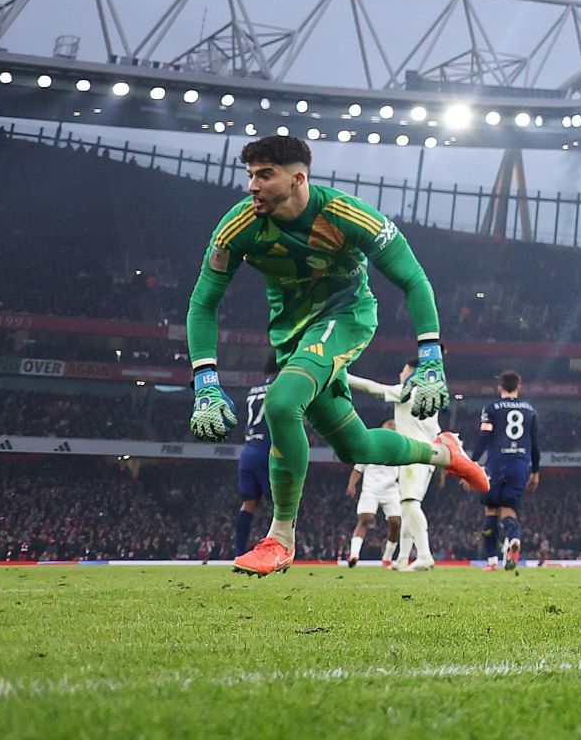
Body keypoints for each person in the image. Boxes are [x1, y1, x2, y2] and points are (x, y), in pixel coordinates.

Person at [184, 135, 488, 576]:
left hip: (345, 318)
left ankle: (280, 539)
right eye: (250, 175)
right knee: (355, 446)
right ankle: (443, 452)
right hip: (292, 336)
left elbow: (414, 280)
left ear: (298, 178)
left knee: (282, 402)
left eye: (265, 175)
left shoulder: (346, 214)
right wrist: (205, 381)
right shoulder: (238, 226)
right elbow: (202, 303)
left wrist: (431, 358)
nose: (253, 185)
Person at [349, 360, 445, 570]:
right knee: (407, 508)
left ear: (411, 372)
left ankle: (424, 555)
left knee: (410, 504)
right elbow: (436, 432)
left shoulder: (406, 391)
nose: (401, 373)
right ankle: (402, 558)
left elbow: (372, 387)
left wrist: (344, 377)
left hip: (413, 455)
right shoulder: (431, 397)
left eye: (403, 369)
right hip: (429, 456)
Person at [474, 371, 540, 571]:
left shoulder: (492, 408)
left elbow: (484, 437)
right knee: (509, 511)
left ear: (499, 387)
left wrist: (472, 463)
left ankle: (492, 561)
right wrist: (535, 471)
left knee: (491, 510)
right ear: (519, 387)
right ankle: (513, 538)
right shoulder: (530, 411)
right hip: (520, 465)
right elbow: (535, 444)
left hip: (496, 464)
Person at [232, 356, 276, 559]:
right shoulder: (280, 386)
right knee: (282, 505)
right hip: (268, 450)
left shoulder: (253, 389)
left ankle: (239, 551)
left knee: (249, 503)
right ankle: (279, 549)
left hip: (248, 450)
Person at [345, 420, 402, 567]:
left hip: (391, 490)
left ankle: (387, 557)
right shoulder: (369, 448)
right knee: (366, 519)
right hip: (371, 489)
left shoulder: (400, 449)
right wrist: (352, 484)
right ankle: (354, 555)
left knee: (395, 522)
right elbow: (358, 469)